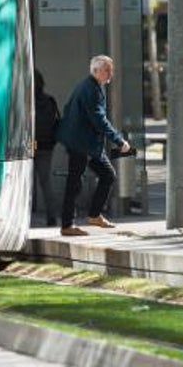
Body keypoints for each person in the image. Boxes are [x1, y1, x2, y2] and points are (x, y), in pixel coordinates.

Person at [56, 55, 130, 237]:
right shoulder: (92, 89)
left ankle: (94, 215)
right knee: (78, 182)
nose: (110, 73)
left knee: (102, 176)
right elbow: (99, 119)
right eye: (106, 69)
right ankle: (69, 224)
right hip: (83, 143)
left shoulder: (88, 86)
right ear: (96, 71)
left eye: (110, 69)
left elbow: (68, 109)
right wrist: (119, 140)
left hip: (83, 142)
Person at [33, 70, 61, 227]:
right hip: (46, 145)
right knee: (45, 182)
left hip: (29, 144)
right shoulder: (49, 100)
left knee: (25, 182)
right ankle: (52, 216)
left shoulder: (26, 101)